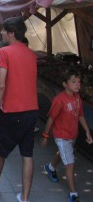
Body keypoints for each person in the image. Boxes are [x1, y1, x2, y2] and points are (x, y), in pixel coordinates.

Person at [0, 17, 38, 202]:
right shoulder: (31, 54)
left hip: (11, 110)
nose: (1, 33)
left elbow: (1, 84)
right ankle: (25, 197)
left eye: (4, 30)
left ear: (12, 33)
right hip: (31, 110)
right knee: (27, 154)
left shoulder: (4, 52)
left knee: (0, 149)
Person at [40, 68, 92, 202]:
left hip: (73, 135)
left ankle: (50, 167)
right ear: (65, 84)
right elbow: (51, 119)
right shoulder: (59, 100)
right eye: (73, 82)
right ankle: (73, 194)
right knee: (70, 164)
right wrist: (45, 135)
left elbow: (80, 115)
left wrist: (87, 130)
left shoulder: (77, 97)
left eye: (79, 82)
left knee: (63, 154)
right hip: (62, 136)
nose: (77, 84)